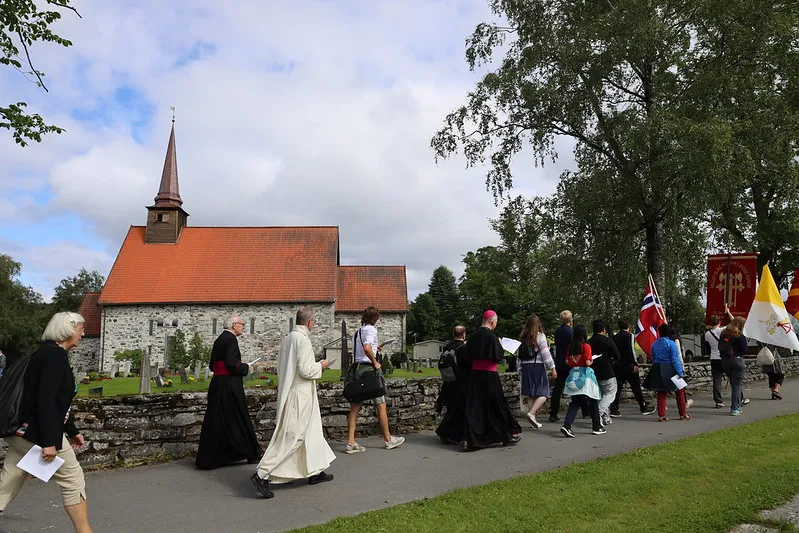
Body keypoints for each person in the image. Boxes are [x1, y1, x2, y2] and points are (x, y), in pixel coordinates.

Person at [0, 312, 92, 533]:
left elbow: (56, 401)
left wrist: (71, 430)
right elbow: (46, 401)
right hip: (37, 432)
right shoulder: (55, 357)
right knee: (73, 478)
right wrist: (49, 441)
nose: (83, 333)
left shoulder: (43, 354)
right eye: (80, 328)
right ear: (68, 330)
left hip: (20, 431)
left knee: (9, 479)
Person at [250, 308, 335, 499]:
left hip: (296, 392)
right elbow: (306, 370)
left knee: (312, 433)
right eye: (314, 321)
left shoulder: (288, 338)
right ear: (310, 322)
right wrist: (321, 365)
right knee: (293, 438)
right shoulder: (302, 340)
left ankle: (315, 471)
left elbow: (283, 365)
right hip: (300, 395)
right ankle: (262, 474)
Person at [195, 314, 262, 469]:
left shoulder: (219, 339)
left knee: (218, 420)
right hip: (230, 385)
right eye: (241, 323)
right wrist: (245, 367)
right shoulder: (231, 340)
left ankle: (211, 458)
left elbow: (213, 365)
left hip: (218, 384)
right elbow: (231, 363)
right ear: (233, 325)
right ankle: (251, 453)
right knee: (239, 417)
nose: (243, 326)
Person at [345, 306, 405, 453]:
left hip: (357, 369)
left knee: (355, 407)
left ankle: (351, 443)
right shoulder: (371, 329)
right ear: (375, 318)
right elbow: (366, 348)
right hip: (368, 370)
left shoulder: (358, 332)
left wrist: (375, 348)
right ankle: (388, 440)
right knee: (381, 404)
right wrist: (375, 361)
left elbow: (363, 348)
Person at [461, 310, 522, 451]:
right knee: (497, 404)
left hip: (476, 374)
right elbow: (497, 356)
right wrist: (500, 345)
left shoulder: (473, 336)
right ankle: (506, 435)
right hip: (490, 375)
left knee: (475, 407)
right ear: (492, 321)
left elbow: (467, 355)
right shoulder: (491, 336)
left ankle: (469, 439)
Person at [560, 325, 604, 438]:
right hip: (585, 376)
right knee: (593, 400)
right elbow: (588, 362)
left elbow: (567, 361)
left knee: (575, 401)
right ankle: (596, 426)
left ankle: (567, 424)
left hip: (573, 375)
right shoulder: (586, 346)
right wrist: (591, 360)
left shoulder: (570, 347)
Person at [644, 324, 690, 421]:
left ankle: (662, 415)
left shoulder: (654, 344)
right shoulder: (671, 343)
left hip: (658, 367)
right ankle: (683, 413)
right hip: (670, 368)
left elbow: (653, 357)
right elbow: (675, 359)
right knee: (680, 390)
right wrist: (680, 372)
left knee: (661, 392)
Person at [518, 315, 556, 429]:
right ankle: (531, 413)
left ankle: (533, 419)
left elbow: (519, 357)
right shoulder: (539, 336)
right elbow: (545, 353)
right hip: (537, 367)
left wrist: (519, 369)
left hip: (525, 368)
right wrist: (552, 367)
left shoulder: (523, 337)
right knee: (544, 393)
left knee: (531, 394)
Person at [610, 319, 654, 416]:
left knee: (617, 388)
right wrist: (635, 364)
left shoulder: (614, 338)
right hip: (629, 364)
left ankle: (614, 409)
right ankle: (643, 406)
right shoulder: (630, 336)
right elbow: (632, 350)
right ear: (628, 326)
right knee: (636, 387)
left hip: (618, 365)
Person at [435, 325, 468, 444]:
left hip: (448, 381)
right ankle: (444, 432)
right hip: (460, 382)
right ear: (464, 335)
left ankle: (450, 433)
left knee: (452, 408)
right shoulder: (463, 348)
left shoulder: (447, 347)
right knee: (458, 408)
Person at [588, 320, 620, 427]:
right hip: (607, 370)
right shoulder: (607, 341)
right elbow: (617, 356)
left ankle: (606, 417)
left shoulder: (589, 342)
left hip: (594, 371)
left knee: (601, 395)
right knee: (610, 393)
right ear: (603, 330)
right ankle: (599, 412)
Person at [718, 317, 749, 416]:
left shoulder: (723, 334)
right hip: (737, 360)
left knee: (734, 383)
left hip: (725, 361)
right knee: (736, 385)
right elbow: (744, 350)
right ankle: (735, 407)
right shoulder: (739, 335)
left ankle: (738, 405)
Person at [548, 310, 574, 422]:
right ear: (570, 320)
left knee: (558, 389)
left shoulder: (557, 331)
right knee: (578, 386)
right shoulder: (571, 332)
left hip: (559, 361)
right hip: (569, 362)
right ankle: (585, 410)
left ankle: (553, 413)